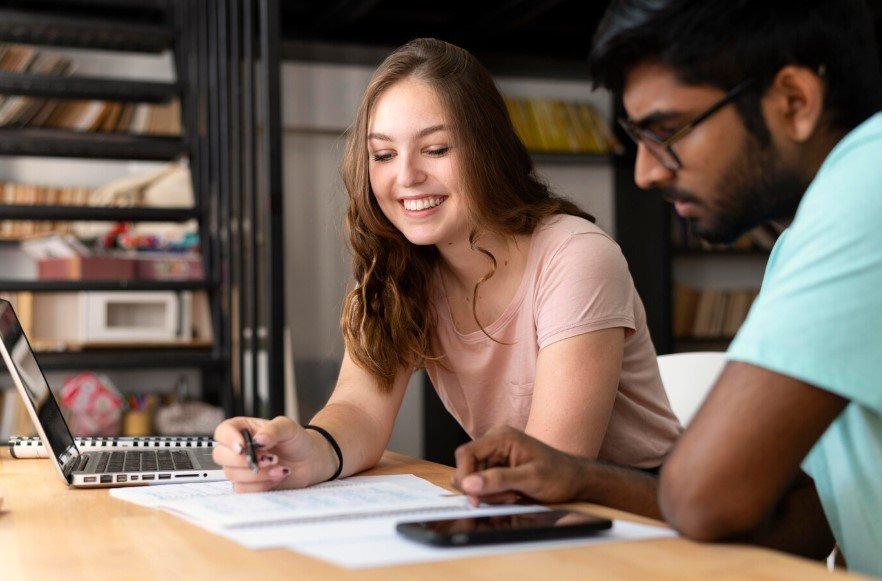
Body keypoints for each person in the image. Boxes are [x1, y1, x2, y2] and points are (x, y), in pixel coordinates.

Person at [451, 0, 882, 576]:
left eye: (667, 131)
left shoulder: (867, 186)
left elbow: (706, 497)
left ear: (794, 101)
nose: (647, 172)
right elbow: (796, 522)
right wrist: (578, 474)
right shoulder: (804, 236)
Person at [212, 38, 681, 495]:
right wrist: (304, 450)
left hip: (642, 515)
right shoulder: (398, 267)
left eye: (436, 149)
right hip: (530, 508)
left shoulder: (575, 256)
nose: (406, 176)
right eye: (383, 155)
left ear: (487, 150)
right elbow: (360, 410)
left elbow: (553, 464)